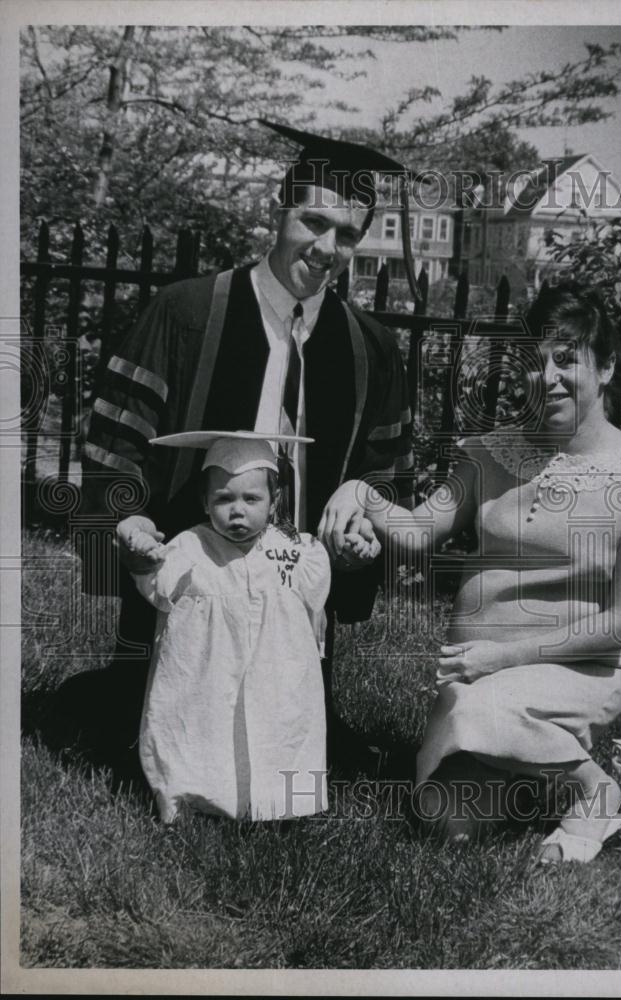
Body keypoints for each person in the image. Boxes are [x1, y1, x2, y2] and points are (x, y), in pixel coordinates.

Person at [68, 121, 416, 778]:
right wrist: (128, 517)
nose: (325, 246)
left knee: (286, 746)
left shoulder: (370, 348)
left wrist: (362, 514)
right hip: (180, 581)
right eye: (312, 221)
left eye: (346, 234)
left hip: (294, 597)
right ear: (277, 209)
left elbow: (384, 472)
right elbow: (116, 445)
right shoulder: (186, 312)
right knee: (140, 730)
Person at [319, 283, 621, 862]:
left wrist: (503, 658)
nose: (547, 378)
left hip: (577, 669)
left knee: (483, 712)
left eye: (566, 359)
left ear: (608, 366)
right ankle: (527, 769)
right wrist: (358, 491)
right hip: (473, 676)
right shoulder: (490, 453)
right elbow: (420, 532)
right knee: (448, 826)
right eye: (534, 362)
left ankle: (594, 789)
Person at [124, 431, 379, 822]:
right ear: (204, 501)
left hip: (277, 676)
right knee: (201, 730)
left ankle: (287, 803)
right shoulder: (189, 547)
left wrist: (355, 552)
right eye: (224, 499)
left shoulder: (293, 549)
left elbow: (325, 575)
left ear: (274, 502)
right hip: (206, 675)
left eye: (251, 499)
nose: (237, 511)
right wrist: (142, 558)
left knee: (284, 728)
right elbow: (155, 585)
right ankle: (189, 800)